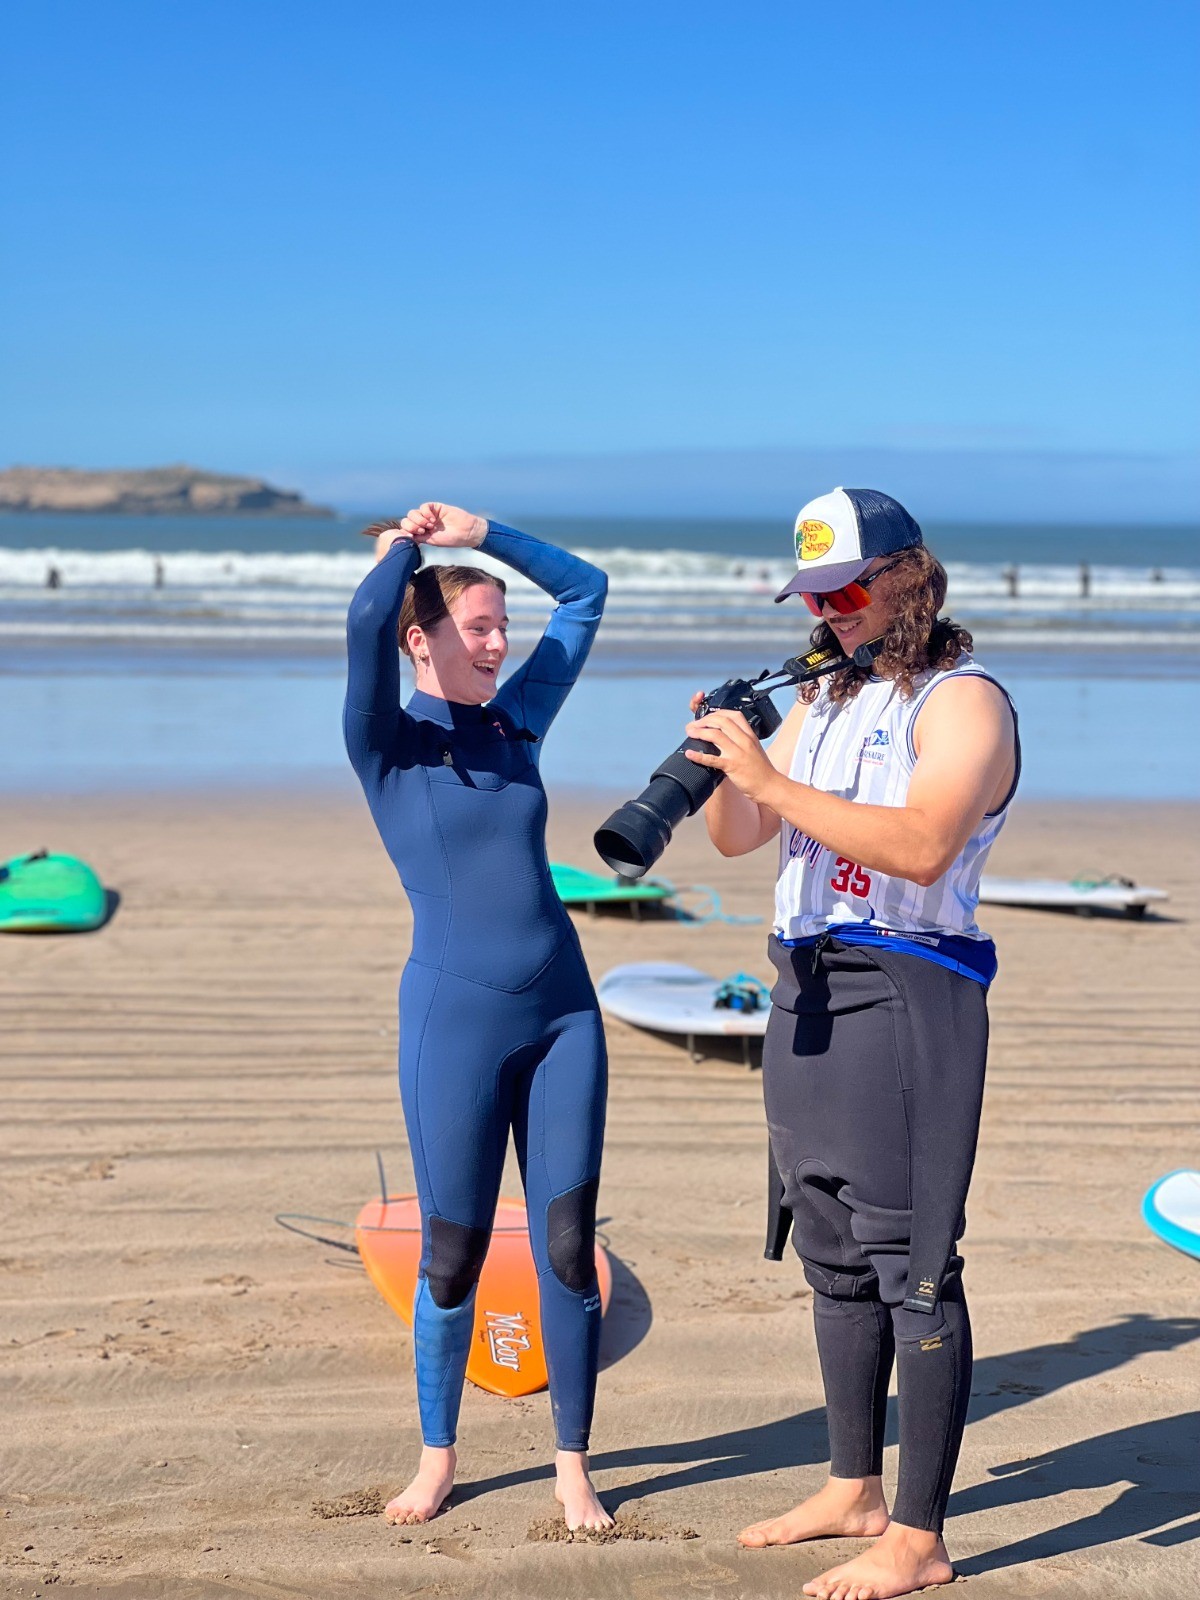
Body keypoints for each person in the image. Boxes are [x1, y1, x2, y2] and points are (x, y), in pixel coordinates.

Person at [684, 487, 1019, 1600]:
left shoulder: (965, 702)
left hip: (906, 986)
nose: (826, 613)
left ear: (906, 580)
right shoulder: (822, 700)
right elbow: (742, 835)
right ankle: (853, 1488)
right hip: (805, 983)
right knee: (828, 1248)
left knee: (912, 1266)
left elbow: (923, 845)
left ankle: (919, 1538)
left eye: (846, 592)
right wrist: (725, 763)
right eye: (814, 597)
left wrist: (775, 781)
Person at [343, 502, 611, 1531]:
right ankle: (438, 1457)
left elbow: (586, 591)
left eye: (504, 626)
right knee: (451, 1253)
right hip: (453, 1024)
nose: (499, 644)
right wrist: (405, 551)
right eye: (479, 627)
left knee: (566, 1246)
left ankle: (572, 1464)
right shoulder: (387, 743)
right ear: (421, 641)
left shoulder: (518, 720)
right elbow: (364, 621)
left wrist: (483, 532)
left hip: (564, 1015)